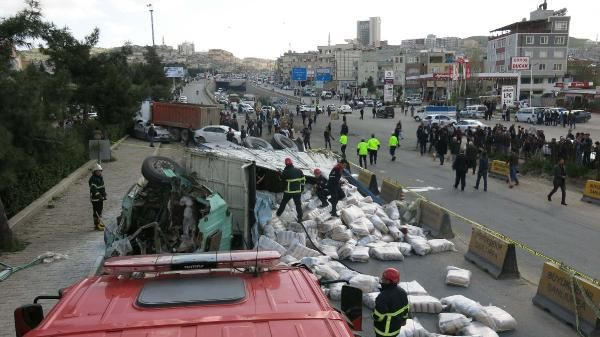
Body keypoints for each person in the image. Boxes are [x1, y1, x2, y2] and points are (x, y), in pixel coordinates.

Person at [373, 268, 409, 337]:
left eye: (383, 278)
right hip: (395, 329)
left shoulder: (383, 296)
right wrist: (404, 319)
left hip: (383, 331)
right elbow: (406, 308)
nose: (382, 279)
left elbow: (378, 317)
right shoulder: (402, 292)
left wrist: (373, 315)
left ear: (388, 281)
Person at [89, 163, 106, 231]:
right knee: (96, 212)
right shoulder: (93, 179)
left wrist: (104, 194)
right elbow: (94, 189)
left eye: (100, 171)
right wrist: (99, 195)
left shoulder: (100, 178)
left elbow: (102, 187)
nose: (100, 172)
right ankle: (96, 225)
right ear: (95, 172)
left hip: (100, 198)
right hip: (95, 199)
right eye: (98, 171)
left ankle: (99, 222)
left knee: (100, 210)